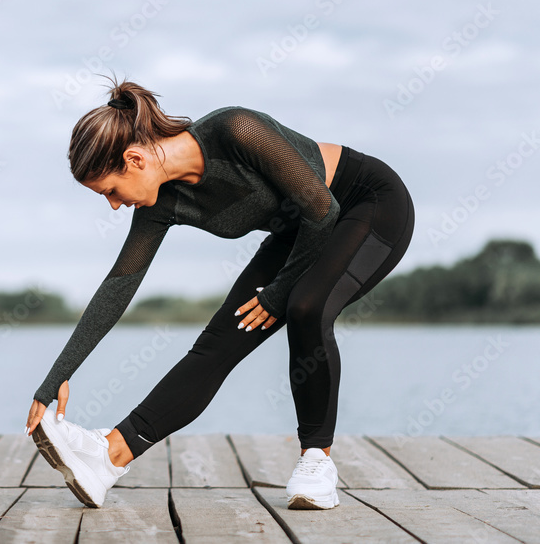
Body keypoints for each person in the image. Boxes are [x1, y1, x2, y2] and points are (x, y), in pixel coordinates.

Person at [24, 75, 415, 509]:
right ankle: (109, 456)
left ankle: (317, 462)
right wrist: (54, 379)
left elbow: (322, 209)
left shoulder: (234, 129)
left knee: (306, 306)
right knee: (216, 345)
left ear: (134, 159)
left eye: (111, 192)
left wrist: (277, 292)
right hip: (300, 230)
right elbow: (118, 286)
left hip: (366, 203)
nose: (115, 205)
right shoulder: (161, 204)